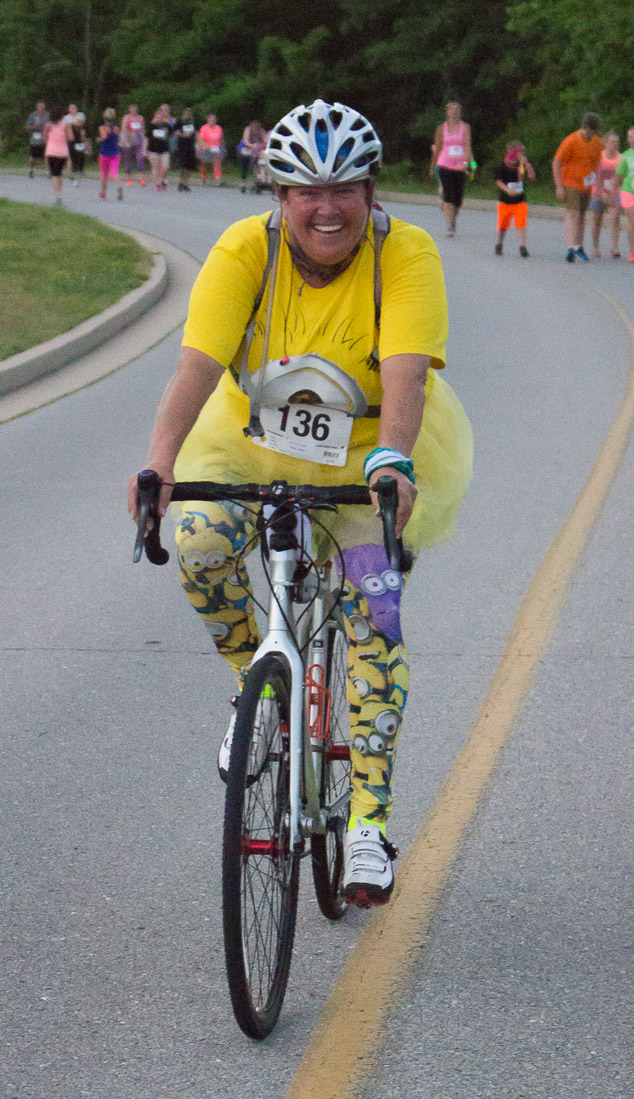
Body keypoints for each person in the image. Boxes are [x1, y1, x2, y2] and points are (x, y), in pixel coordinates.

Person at [128, 99, 472, 908]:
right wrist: (159, 463)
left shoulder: (404, 254)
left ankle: (367, 823)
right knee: (201, 541)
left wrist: (392, 462)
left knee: (374, 617)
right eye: (306, 190)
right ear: (278, 194)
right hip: (246, 436)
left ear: (370, 192)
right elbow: (196, 366)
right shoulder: (244, 250)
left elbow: (406, 375)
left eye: (344, 188)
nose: (326, 208)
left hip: (368, 450)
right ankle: (257, 688)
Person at [552, 112, 602, 262]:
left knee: (581, 216)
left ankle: (578, 246)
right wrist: (559, 186)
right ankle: (570, 248)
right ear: (584, 127)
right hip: (570, 183)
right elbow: (557, 162)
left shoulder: (597, 142)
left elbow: (597, 163)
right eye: (590, 130)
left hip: (586, 185)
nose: (591, 134)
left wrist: (597, 185)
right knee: (572, 214)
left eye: (594, 131)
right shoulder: (571, 141)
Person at [429, 102, 473, 237]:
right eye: (451, 109)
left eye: (457, 109)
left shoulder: (465, 127)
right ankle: (449, 226)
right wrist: (433, 166)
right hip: (444, 164)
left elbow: (467, 146)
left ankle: (453, 219)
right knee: (448, 196)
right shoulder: (441, 128)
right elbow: (437, 148)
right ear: (447, 112)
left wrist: (467, 162)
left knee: (458, 199)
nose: (454, 111)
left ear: (460, 112)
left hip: (460, 167)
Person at [494, 141, 536, 257]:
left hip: (520, 200)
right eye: (520, 152)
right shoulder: (502, 166)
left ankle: (522, 246)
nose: (523, 154)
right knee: (503, 224)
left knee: (521, 222)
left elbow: (531, 177)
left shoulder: (521, 165)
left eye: (523, 152)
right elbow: (498, 181)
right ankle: (500, 242)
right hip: (505, 200)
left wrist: (527, 166)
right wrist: (507, 189)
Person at [590, 131, 622, 258]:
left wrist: (613, 193)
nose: (615, 144)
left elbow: (622, 177)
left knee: (615, 216)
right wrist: (600, 192)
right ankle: (596, 246)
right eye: (612, 142)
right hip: (598, 191)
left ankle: (615, 247)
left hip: (615, 191)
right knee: (597, 219)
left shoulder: (620, 158)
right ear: (606, 143)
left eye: (617, 142)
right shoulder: (599, 157)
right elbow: (593, 176)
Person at [43, 107, 73, 204]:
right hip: (63, 153)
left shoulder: (48, 125)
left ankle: (58, 194)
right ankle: (59, 189)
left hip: (51, 151)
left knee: (54, 174)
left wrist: (50, 139)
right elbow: (71, 138)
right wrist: (65, 138)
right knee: (58, 172)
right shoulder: (66, 125)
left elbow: (44, 137)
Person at [615, 126, 634, 263]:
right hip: (628, 191)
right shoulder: (626, 155)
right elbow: (619, 175)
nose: (633, 139)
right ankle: (633, 251)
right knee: (633, 222)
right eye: (631, 136)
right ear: (628, 139)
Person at [97, 108, 123, 201]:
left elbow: (102, 138)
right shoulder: (116, 128)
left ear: (104, 116)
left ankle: (103, 193)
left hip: (104, 153)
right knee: (114, 172)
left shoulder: (102, 128)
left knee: (104, 174)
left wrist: (99, 139)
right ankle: (119, 186)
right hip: (115, 152)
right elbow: (118, 139)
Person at [120, 104, 146, 186]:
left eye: (135, 108)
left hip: (139, 138)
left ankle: (141, 178)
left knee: (140, 158)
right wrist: (125, 141)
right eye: (132, 108)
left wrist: (144, 140)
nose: (134, 110)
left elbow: (143, 130)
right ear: (130, 109)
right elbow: (123, 129)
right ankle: (129, 179)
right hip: (129, 137)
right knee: (128, 159)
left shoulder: (140, 117)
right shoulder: (126, 117)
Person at [147, 104, 173, 190]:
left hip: (164, 149)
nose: (160, 116)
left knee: (165, 166)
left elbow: (171, 134)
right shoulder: (151, 125)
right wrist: (144, 149)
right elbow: (146, 137)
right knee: (156, 167)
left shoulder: (166, 125)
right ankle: (158, 183)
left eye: (161, 115)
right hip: (153, 148)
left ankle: (161, 180)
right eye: (158, 115)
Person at [237, 120, 267, 191]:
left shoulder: (261, 131)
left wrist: (264, 144)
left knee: (258, 164)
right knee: (245, 165)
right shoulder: (248, 129)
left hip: (256, 149)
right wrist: (253, 146)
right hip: (245, 148)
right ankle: (243, 182)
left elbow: (265, 140)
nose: (255, 131)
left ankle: (258, 181)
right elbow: (246, 141)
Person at [63, 105, 87, 184]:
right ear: (69, 109)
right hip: (71, 137)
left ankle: (80, 169)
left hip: (79, 137)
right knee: (72, 153)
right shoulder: (66, 117)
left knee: (81, 153)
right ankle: (73, 169)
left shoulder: (80, 115)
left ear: (77, 109)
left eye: (74, 108)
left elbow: (82, 125)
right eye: (71, 108)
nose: (73, 109)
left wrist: (73, 124)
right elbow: (65, 127)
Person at [198, 113, 225, 184]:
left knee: (217, 163)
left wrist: (223, 147)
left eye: (213, 120)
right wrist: (205, 147)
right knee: (204, 164)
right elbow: (201, 139)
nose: (212, 122)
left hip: (216, 148)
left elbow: (221, 139)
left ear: (215, 120)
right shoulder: (204, 128)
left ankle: (218, 180)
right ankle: (203, 177)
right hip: (207, 148)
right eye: (210, 120)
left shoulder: (218, 128)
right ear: (207, 120)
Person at [26, 100, 50, 177]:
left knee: (47, 154)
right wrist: (34, 126)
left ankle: (47, 171)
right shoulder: (32, 115)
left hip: (45, 138)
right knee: (33, 155)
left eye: (42, 106)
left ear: (44, 106)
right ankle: (31, 169)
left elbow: (51, 125)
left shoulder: (47, 115)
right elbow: (27, 126)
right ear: (37, 107)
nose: (41, 108)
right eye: (39, 106)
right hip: (35, 138)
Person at [175, 107, 197, 192]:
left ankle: (186, 183)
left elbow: (196, 132)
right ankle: (181, 182)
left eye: (189, 111)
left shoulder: (193, 122)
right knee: (183, 165)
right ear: (183, 112)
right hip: (182, 145)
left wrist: (192, 133)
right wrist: (182, 134)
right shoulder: (180, 121)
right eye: (186, 111)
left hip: (191, 145)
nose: (188, 113)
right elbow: (176, 132)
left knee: (189, 165)